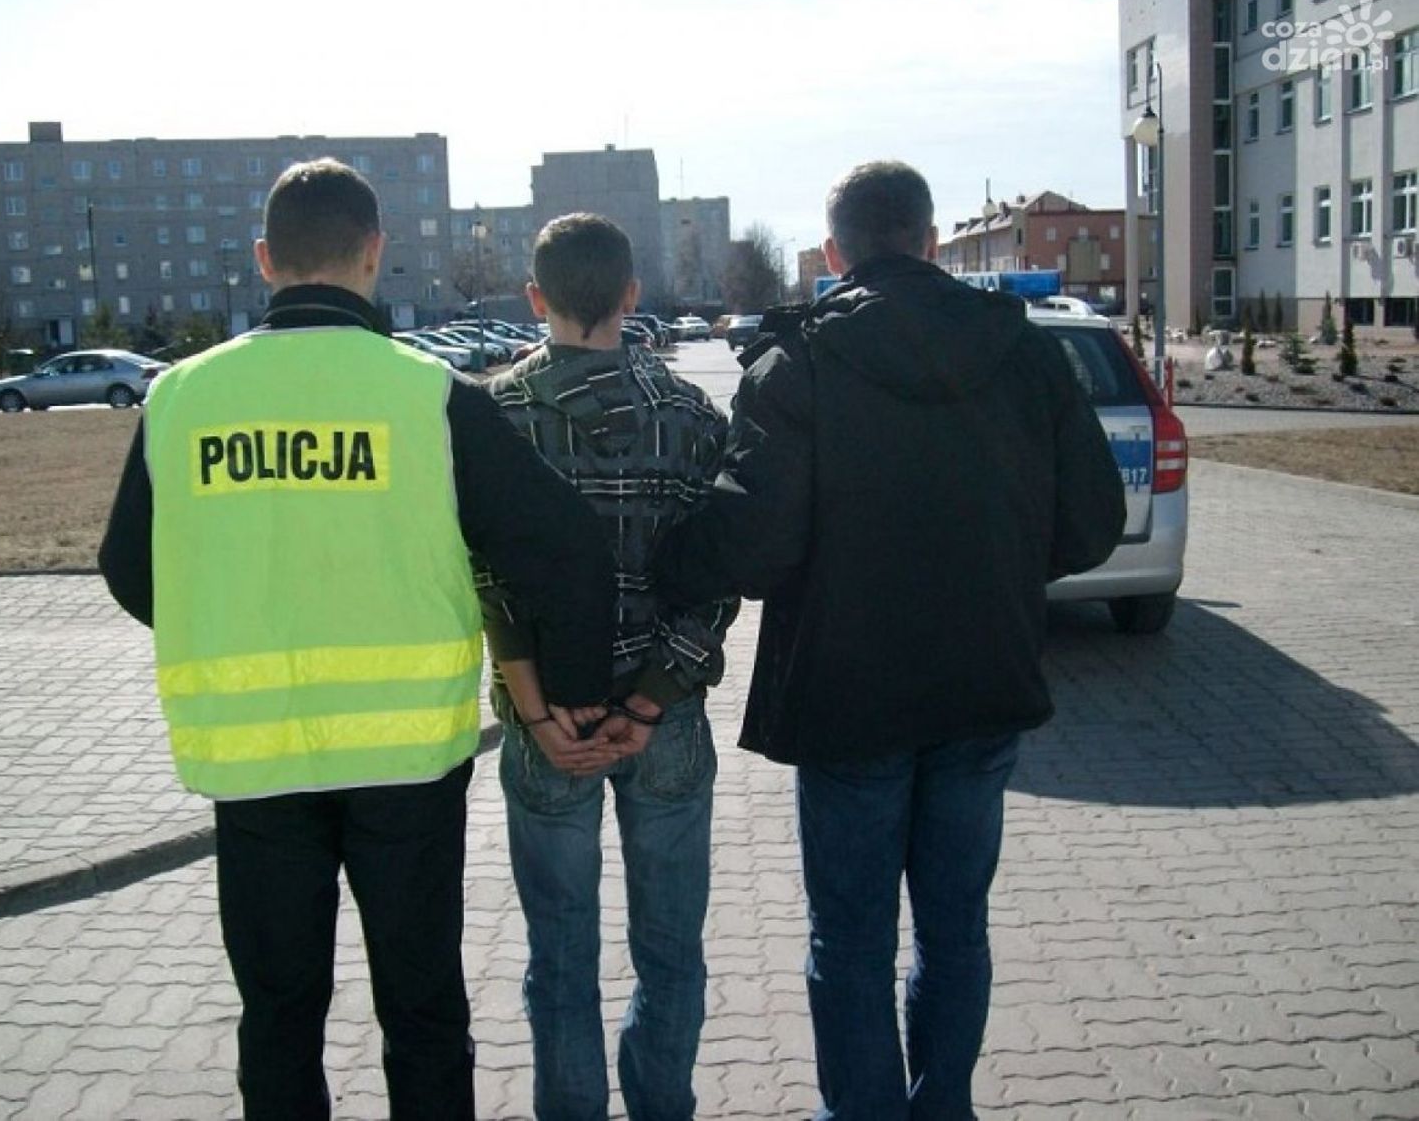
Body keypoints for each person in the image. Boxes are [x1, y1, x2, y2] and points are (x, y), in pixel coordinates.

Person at [98, 158, 615, 1121]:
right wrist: (578, 692)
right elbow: (567, 548)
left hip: (254, 760)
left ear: (265, 259)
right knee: (421, 1010)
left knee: (279, 1014)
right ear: (375, 252)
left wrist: (228, 619)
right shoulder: (428, 394)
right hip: (405, 763)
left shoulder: (181, 396)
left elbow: (128, 568)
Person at [653, 161, 1126, 1120]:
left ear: (835, 254)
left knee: (852, 941)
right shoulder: (1025, 351)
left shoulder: (801, 362)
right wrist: (998, 565)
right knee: (956, 931)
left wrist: (663, 564)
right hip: (982, 687)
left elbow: (755, 544)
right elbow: (1092, 524)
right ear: (932, 240)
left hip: (848, 699)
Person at [475, 212, 737, 1121]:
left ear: (534, 297)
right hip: (666, 722)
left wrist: (536, 712)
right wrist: (654, 698)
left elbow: (486, 579)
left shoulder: (493, 417)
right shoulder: (695, 415)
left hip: (548, 720)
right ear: (632, 294)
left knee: (559, 956)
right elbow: (719, 580)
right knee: (672, 951)